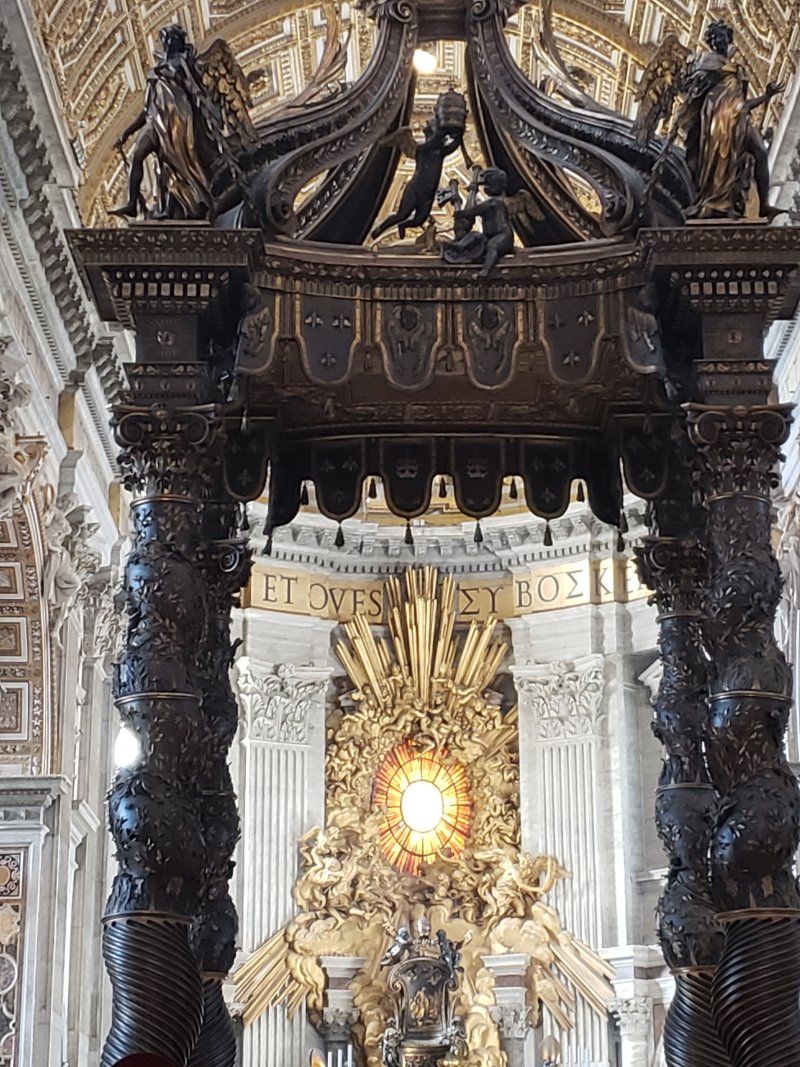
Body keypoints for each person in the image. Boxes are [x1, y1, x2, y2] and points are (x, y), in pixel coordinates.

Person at [678, 21, 783, 219]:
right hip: (718, 118)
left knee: (760, 152)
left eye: (722, 37)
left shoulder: (736, 67)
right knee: (721, 161)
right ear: (710, 41)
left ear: (728, 40)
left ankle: (764, 204)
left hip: (739, 115)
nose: (719, 41)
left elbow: (741, 103)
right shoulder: (706, 61)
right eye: (715, 38)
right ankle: (716, 200)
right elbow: (691, 88)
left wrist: (766, 97)